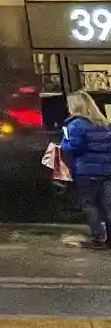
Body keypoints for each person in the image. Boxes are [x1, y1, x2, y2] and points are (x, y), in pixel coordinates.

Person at [62, 91, 111, 248]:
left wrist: (63, 144)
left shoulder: (75, 124)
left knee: (89, 204)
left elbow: (73, 146)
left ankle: (98, 237)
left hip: (86, 171)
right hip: (107, 170)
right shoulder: (103, 124)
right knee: (107, 205)